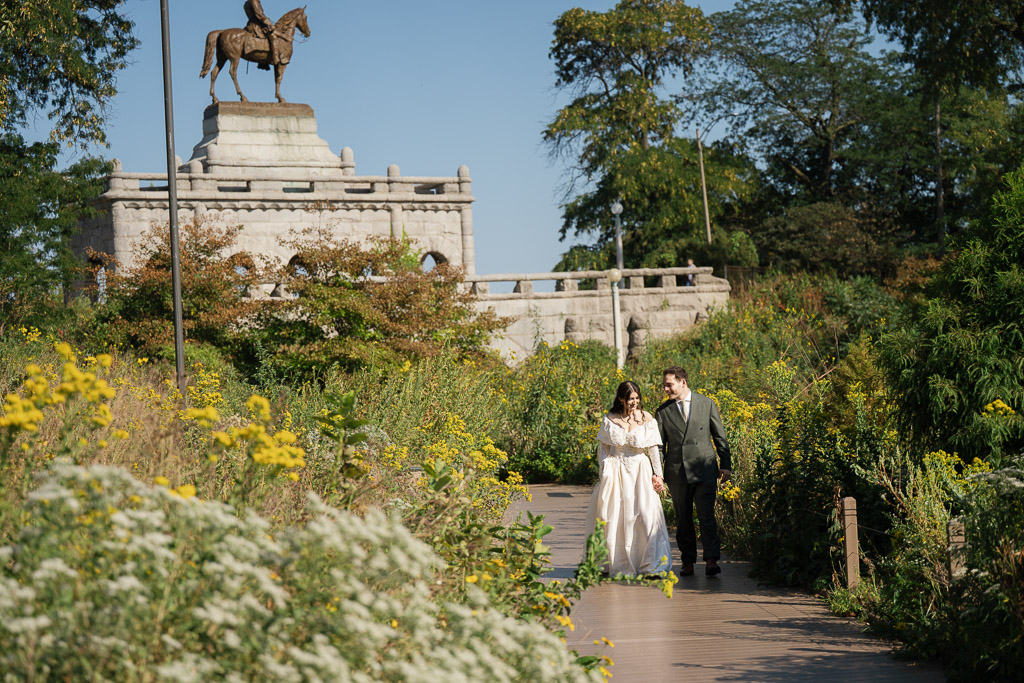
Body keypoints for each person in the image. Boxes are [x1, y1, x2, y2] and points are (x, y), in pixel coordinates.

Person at [585, 381, 672, 576]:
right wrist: (605, 470)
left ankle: (652, 565)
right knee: (614, 516)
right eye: (631, 399)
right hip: (616, 471)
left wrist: (658, 475)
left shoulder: (647, 418)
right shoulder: (610, 419)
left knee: (646, 515)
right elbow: (603, 448)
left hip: (640, 471)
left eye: (637, 398)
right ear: (621, 399)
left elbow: (653, 450)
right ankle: (614, 563)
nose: (635, 402)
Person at [654, 366, 732, 577]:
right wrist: (658, 473)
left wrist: (725, 464)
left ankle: (711, 560)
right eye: (664, 385)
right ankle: (687, 561)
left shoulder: (706, 404)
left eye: (669, 385)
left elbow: (720, 437)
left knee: (707, 516)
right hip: (677, 472)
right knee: (683, 519)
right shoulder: (663, 411)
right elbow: (659, 446)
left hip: (704, 469)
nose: (665, 389)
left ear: (683, 382)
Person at [243, 0, 277, 71]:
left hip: (251, 24)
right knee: (273, 35)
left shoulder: (246, 3)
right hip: (257, 25)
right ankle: (274, 58)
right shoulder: (254, 1)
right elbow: (260, 15)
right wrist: (270, 24)